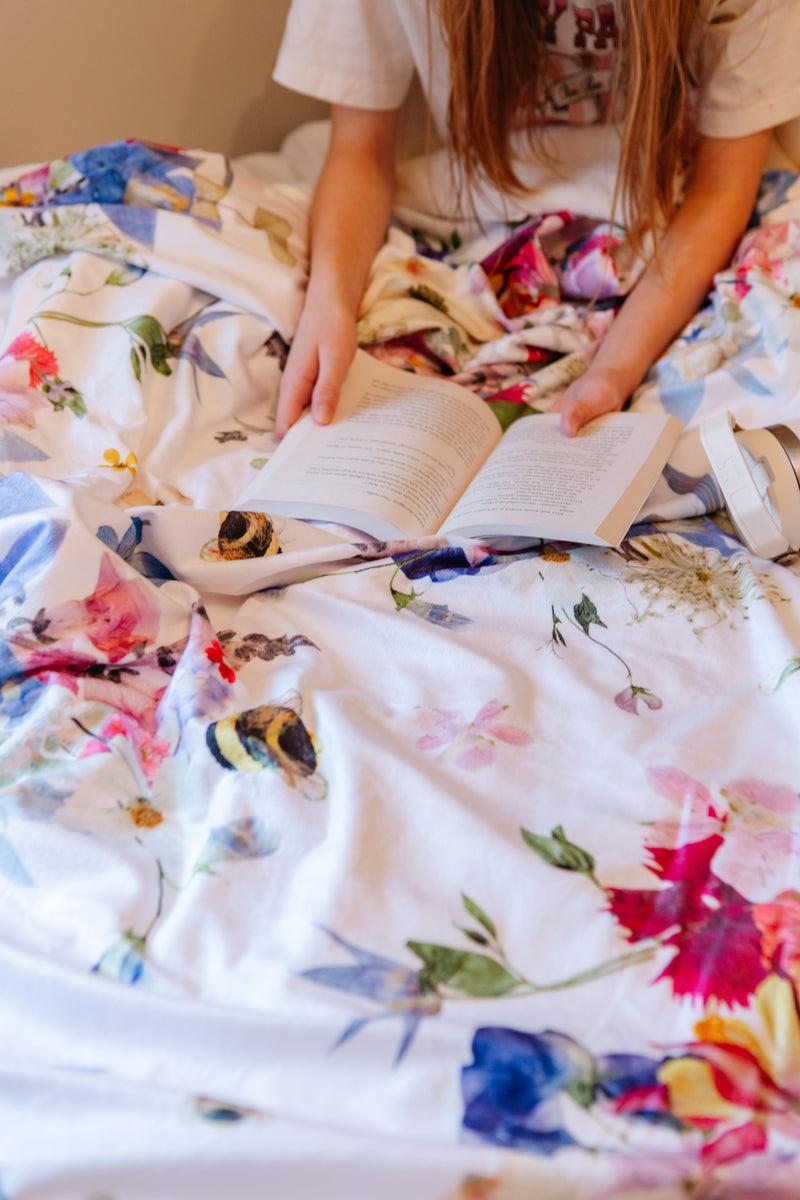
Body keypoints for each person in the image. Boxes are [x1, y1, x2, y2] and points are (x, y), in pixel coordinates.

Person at [272, 0, 800, 439]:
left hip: (676, 231)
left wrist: (613, 371)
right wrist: (331, 304)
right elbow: (358, 152)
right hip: (467, 226)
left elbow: (722, 189)